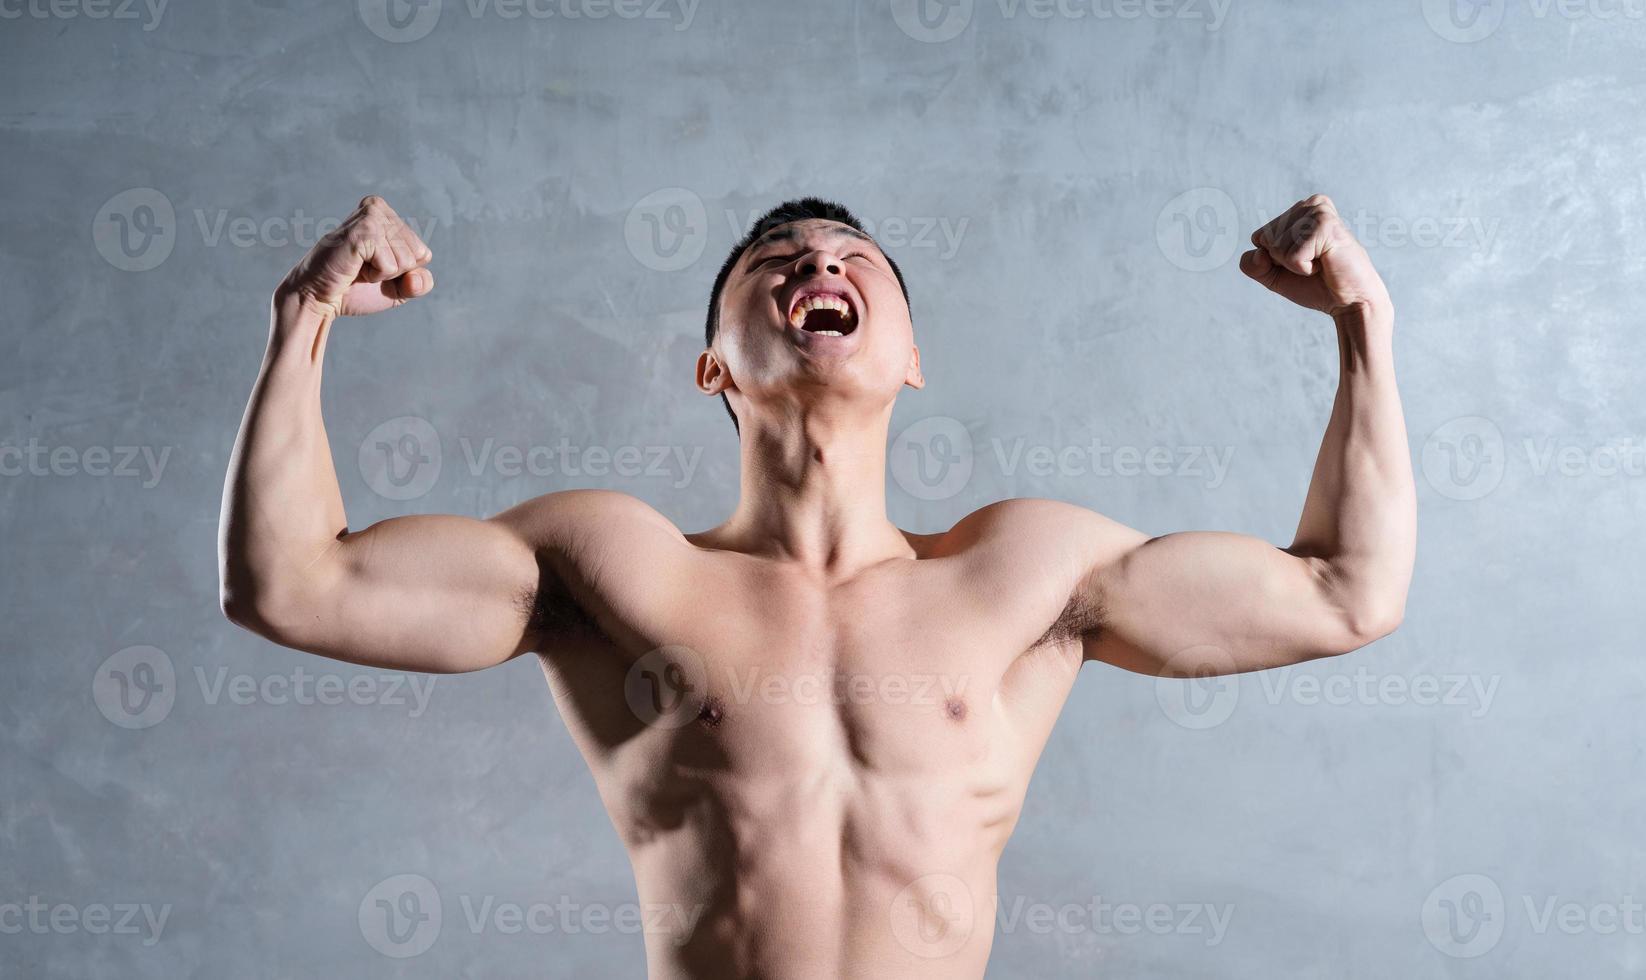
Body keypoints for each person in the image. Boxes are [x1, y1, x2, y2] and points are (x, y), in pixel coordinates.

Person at [218, 192, 1415, 979]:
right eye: (775, 262)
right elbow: (291, 582)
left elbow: (1344, 591)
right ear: (710, 368)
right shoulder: (610, 564)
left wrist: (1363, 323)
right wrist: (304, 313)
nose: (816, 264)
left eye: (853, 261)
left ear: (909, 358)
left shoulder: (1029, 570)